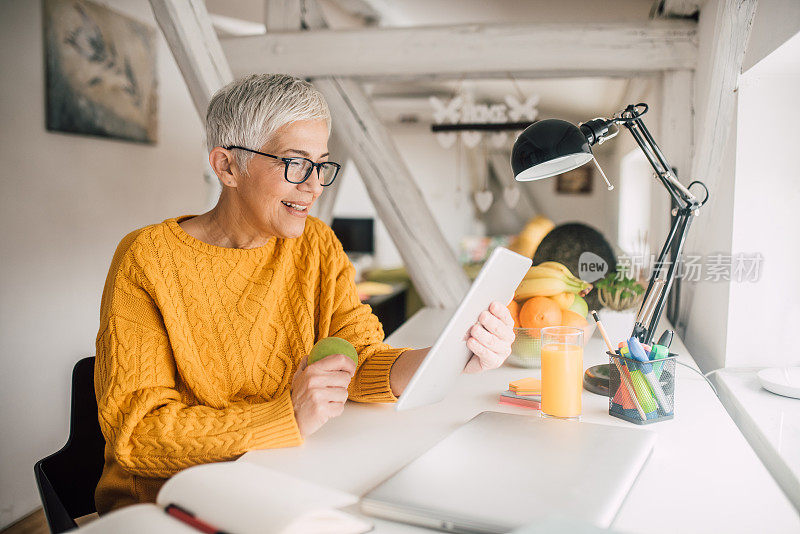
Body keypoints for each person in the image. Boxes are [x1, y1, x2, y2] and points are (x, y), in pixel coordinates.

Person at [94, 74, 515, 514]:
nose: (314, 185)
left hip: (281, 476)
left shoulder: (314, 242)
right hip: (173, 503)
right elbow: (138, 435)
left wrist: (450, 355)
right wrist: (287, 416)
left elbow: (359, 357)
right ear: (226, 167)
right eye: (295, 163)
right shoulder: (147, 258)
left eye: (322, 165)